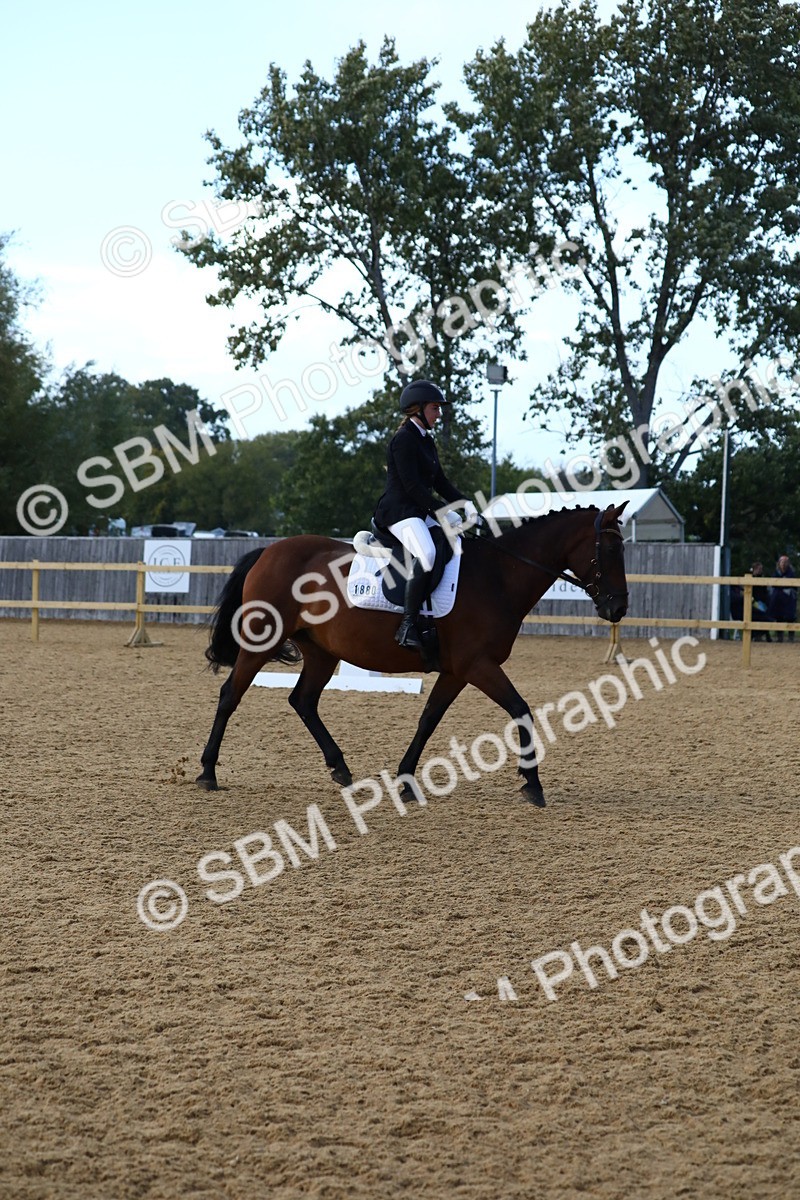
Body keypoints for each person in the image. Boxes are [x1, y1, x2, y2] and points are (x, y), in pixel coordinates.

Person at [373, 380, 478, 650]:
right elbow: (412, 487)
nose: (438, 414)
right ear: (417, 409)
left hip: (418, 511)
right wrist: (441, 511)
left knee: (458, 537)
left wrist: (465, 504)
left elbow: (440, 482)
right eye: (435, 408)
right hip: (399, 512)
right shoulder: (403, 440)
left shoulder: (426, 441)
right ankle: (407, 624)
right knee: (427, 554)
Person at [770, 554, 797, 643]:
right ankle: (779, 637)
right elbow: (773, 584)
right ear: (779, 563)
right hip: (778, 599)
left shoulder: (791, 573)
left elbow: (794, 586)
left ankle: (791, 637)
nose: (784, 564)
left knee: (790, 618)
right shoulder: (776, 573)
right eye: (782, 562)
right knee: (779, 617)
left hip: (789, 599)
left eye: (785, 562)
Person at [750, 562, 772, 641]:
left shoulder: (763, 579)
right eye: (759, 569)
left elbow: (765, 592)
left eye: (761, 569)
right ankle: (756, 635)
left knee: (766, 615)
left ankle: (765, 635)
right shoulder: (751, 578)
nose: (760, 570)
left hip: (762, 602)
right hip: (753, 602)